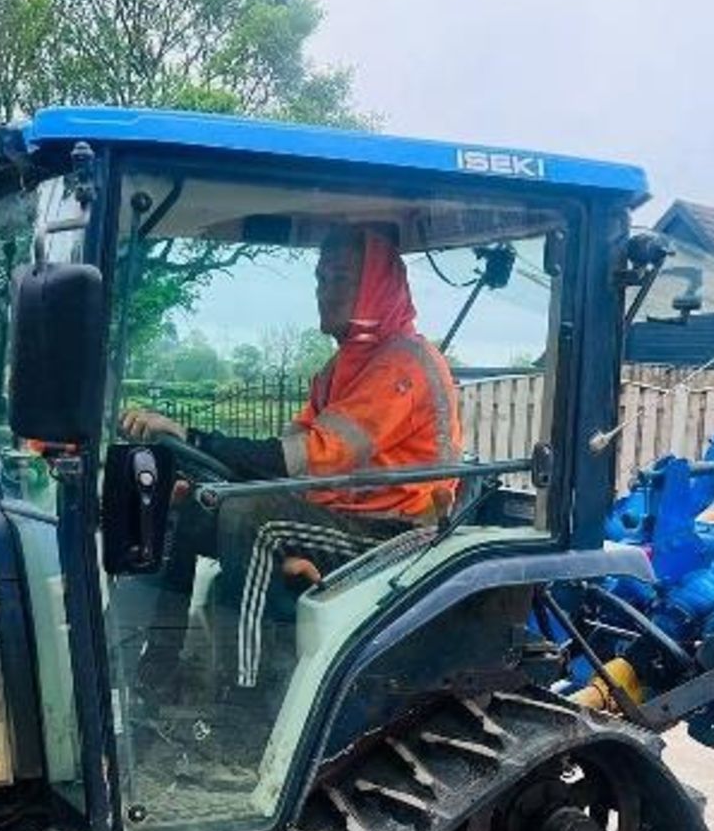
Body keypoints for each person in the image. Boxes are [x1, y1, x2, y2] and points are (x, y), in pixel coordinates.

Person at [119, 224, 463, 693]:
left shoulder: (404, 364)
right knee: (187, 506)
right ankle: (151, 670)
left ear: (374, 288)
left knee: (249, 517)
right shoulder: (337, 371)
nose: (324, 293)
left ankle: (243, 700)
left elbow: (315, 457)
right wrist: (204, 472)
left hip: (398, 533)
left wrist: (194, 437)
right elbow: (283, 456)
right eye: (321, 280)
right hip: (339, 517)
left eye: (340, 280)